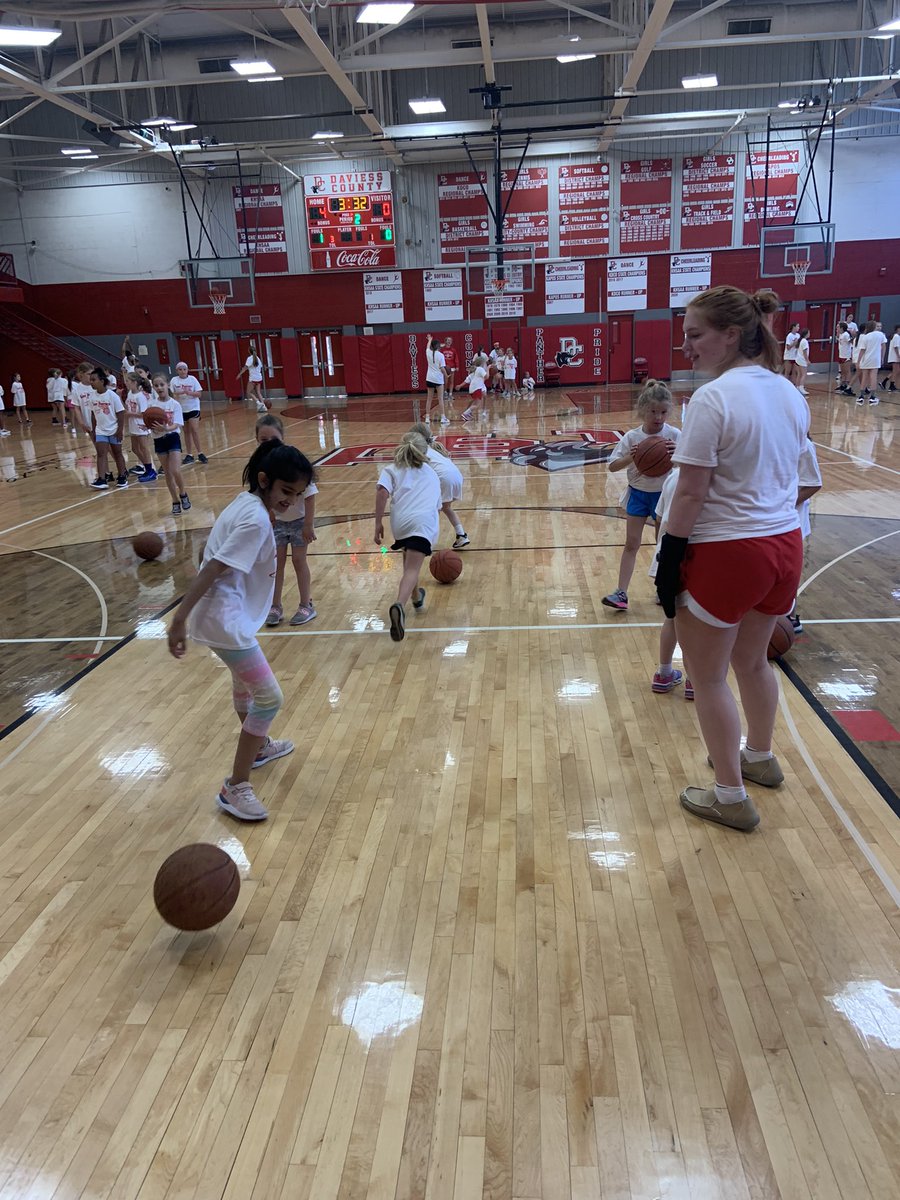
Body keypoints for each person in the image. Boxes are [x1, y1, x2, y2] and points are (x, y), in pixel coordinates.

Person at [655, 285, 809, 832]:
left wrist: (670, 559)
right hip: (785, 545)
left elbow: (692, 492)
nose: (687, 345)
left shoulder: (713, 399)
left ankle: (729, 795)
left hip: (729, 549)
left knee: (709, 674)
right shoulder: (791, 393)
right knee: (753, 661)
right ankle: (760, 757)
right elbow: (794, 479)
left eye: (695, 335)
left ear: (730, 335)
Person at [168, 439, 313, 821]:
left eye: (297, 495)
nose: (290, 502)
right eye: (285, 491)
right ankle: (235, 786)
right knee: (269, 698)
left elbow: (207, 554)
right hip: (222, 618)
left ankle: (260, 748)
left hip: (227, 614)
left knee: (243, 685)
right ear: (264, 480)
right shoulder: (254, 518)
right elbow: (213, 566)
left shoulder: (244, 503)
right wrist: (179, 619)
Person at [601, 379, 681, 612]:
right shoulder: (632, 437)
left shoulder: (674, 434)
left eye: (663, 412)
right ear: (642, 410)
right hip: (637, 493)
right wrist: (631, 458)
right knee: (631, 544)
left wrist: (679, 455)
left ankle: (662, 588)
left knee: (662, 545)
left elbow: (692, 466)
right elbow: (613, 466)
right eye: (653, 412)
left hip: (664, 496)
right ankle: (621, 593)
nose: (658, 417)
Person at [374, 431, 442, 642]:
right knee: (413, 568)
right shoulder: (431, 473)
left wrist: (378, 522)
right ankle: (399, 605)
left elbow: (382, 493)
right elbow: (437, 507)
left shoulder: (391, 469)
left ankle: (416, 597)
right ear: (424, 451)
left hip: (400, 523)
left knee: (408, 560)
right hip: (422, 521)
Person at [255, 414, 319, 627]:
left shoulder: (293, 460)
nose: (269, 443)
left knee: (299, 561)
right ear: (257, 440)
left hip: (299, 521)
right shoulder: (261, 466)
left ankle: (306, 604)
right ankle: (275, 605)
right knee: (276, 564)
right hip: (277, 524)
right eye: (264, 440)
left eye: (273, 438)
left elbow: (310, 494)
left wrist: (309, 524)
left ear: (282, 437)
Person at [648, 466, 693, 700]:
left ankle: (664, 673)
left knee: (672, 618)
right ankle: (694, 680)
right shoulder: (711, 477)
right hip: (693, 556)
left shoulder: (673, 476)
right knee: (695, 623)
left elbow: (658, 517)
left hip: (666, 555)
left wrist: (660, 553)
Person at [410, 421, 469, 548]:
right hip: (457, 477)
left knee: (431, 510)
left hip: (444, 479)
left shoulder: (420, 452)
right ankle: (461, 535)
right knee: (446, 508)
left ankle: (426, 541)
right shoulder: (435, 449)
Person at [788, 437, 823, 634]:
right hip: (774, 518)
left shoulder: (804, 444)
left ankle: (790, 617)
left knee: (790, 573)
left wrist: (786, 503)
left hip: (793, 519)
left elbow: (814, 484)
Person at [146, 374, 191, 515]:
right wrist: (147, 426)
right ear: (153, 387)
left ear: (167, 385)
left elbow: (177, 424)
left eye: (161, 384)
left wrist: (165, 428)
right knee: (167, 473)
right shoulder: (151, 405)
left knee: (175, 470)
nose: (159, 387)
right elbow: (149, 423)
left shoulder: (174, 404)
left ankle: (183, 493)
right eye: (156, 385)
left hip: (172, 437)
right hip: (158, 439)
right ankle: (175, 500)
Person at [87, 365, 128, 489]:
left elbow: (120, 413)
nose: (91, 382)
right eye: (91, 380)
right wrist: (93, 430)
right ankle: (102, 479)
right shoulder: (92, 396)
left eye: (94, 380)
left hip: (114, 429)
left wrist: (120, 430)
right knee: (101, 454)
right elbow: (93, 414)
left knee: (117, 453)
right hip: (101, 430)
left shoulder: (112, 395)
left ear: (102, 381)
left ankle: (122, 476)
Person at [170, 361, 207, 464]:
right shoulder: (174, 380)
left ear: (187, 370)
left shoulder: (192, 379)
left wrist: (190, 393)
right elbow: (171, 394)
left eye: (184, 369)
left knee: (194, 429)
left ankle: (200, 453)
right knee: (186, 432)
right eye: (180, 369)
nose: (182, 371)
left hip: (193, 407)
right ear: (177, 371)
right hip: (181, 409)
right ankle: (189, 454)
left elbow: (199, 394)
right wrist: (178, 393)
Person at [123, 373, 157, 482]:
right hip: (133, 425)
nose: (125, 383)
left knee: (144, 448)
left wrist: (129, 414)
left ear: (134, 383)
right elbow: (127, 409)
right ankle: (148, 468)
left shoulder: (141, 396)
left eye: (127, 381)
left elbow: (144, 414)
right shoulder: (129, 393)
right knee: (134, 448)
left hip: (141, 425)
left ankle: (150, 470)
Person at [855, 319, 885, 406]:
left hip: (866, 359)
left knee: (864, 377)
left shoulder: (865, 337)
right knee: (873, 377)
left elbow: (862, 350)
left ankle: (861, 396)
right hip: (875, 359)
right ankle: (872, 397)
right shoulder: (881, 335)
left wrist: (858, 361)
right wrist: (882, 358)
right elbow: (883, 347)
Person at [424, 337, 449, 425]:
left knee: (429, 399)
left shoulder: (428, 352)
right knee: (440, 399)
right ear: (438, 346)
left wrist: (429, 339)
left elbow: (428, 346)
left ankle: (427, 418)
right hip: (438, 379)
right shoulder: (441, 355)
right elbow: (442, 368)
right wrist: (446, 375)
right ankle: (443, 418)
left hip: (429, 378)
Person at [238, 344, 268, 413]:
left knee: (248, 392)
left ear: (249, 351)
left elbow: (245, 368)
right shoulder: (258, 358)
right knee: (258, 392)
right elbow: (260, 367)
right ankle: (264, 406)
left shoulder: (249, 358)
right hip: (259, 377)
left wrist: (239, 374)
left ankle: (258, 403)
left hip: (253, 378)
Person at [460, 354, 489, 422]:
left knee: (476, 402)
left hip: (473, 388)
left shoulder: (476, 369)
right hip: (477, 388)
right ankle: (465, 413)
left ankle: (468, 414)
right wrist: (488, 368)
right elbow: (486, 377)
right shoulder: (480, 369)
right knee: (477, 405)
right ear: (482, 363)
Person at [836, 322, 854, 396]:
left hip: (847, 356)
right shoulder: (841, 334)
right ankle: (843, 384)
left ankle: (847, 385)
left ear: (842, 328)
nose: (837, 328)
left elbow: (851, 341)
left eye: (838, 327)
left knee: (847, 371)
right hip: (841, 355)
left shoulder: (846, 335)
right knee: (842, 371)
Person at [882, 324, 900, 392]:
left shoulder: (896, 336)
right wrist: (898, 356)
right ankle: (890, 385)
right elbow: (896, 347)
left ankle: (886, 382)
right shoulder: (896, 336)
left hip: (895, 356)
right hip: (895, 356)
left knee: (896, 371)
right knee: (896, 371)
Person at [794, 328, 810, 396]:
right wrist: (807, 360)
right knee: (803, 374)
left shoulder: (801, 340)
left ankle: (797, 387)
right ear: (806, 334)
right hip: (802, 360)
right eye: (809, 333)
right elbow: (805, 352)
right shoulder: (805, 341)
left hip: (798, 359)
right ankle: (801, 387)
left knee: (799, 374)